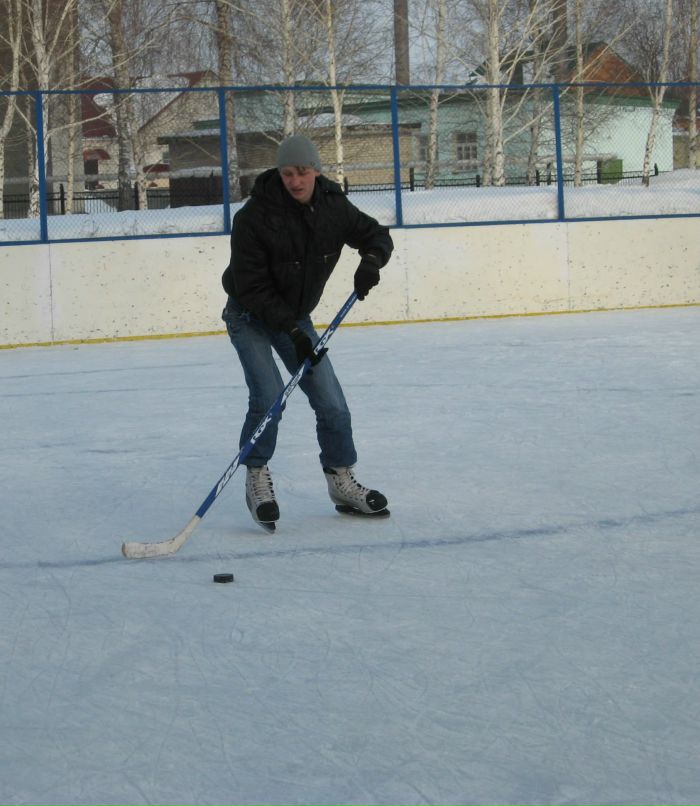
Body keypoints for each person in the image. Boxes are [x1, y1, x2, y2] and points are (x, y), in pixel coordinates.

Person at [221, 134, 394, 532]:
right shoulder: (254, 217)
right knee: (268, 397)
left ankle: (341, 480)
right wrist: (292, 331)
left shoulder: (333, 207)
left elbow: (375, 235)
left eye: (302, 172)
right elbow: (252, 286)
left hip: (294, 318)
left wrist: (371, 261)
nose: (295, 181)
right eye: (287, 173)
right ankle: (257, 478)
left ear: (316, 169)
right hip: (248, 315)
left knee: (331, 401)